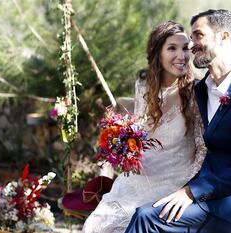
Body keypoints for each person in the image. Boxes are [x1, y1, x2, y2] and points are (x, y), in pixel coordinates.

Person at [125, 9, 231, 232]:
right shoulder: (202, 90)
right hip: (204, 194)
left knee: (146, 218)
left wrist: (192, 192)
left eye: (198, 35)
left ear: (223, 37)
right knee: (143, 207)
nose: (190, 45)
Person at [82, 21, 206, 233]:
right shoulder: (144, 83)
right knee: (95, 226)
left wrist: (190, 190)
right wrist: (122, 143)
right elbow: (138, 120)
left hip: (174, 180)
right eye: (172, 48)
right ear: (157, 53)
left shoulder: (197, 93)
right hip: (138, 176)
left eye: (185, 48)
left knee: (131, 224)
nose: (182, 55)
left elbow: (203, 147)